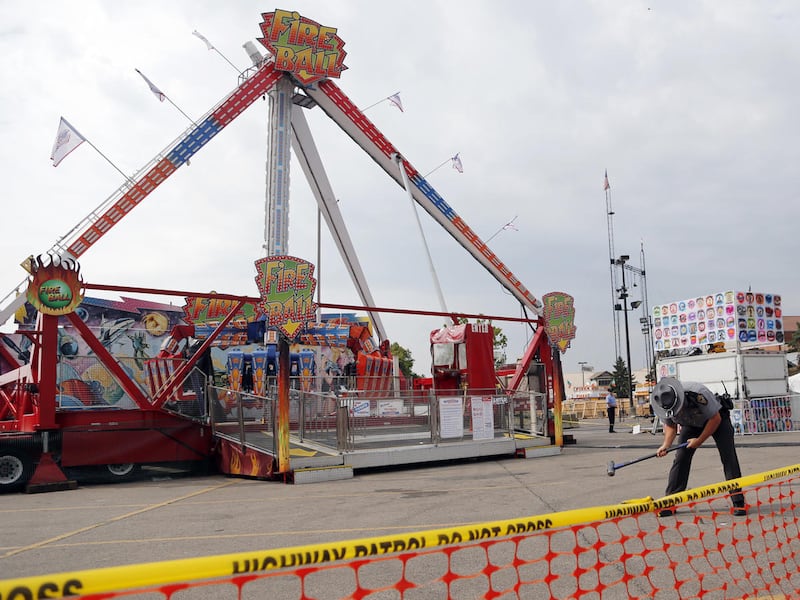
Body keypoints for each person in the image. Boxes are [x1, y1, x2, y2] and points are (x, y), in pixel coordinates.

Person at [650, 377, 746, 517]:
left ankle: (739, 502)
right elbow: (671, 425)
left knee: (728, 458)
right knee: (681, 459)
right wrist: (665, 445)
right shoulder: (662, 402)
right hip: (690, 425)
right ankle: (669, 503)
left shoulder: (697, 393)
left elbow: (716, 419)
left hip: (717, 421)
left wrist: (699, 440)